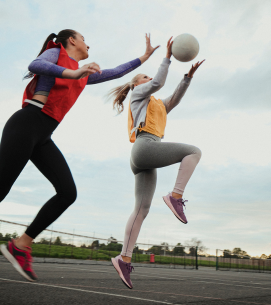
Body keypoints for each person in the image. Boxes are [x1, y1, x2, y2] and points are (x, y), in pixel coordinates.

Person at [0, 29, 159, 282]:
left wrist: (144, 57)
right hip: (26, 124)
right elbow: (35, 64)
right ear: (71, 40)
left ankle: (20, 246)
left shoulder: (82, 75)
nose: (88, 43)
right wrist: (74, 71)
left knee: (67, 193)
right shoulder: (56, 53)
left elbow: (116, 72)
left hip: (43, 135)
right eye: (84, 38)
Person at [109, 37, 204, 289]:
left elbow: (174, 98)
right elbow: (160, 82)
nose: (148, 79)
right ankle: (175, 196)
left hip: (143, 158)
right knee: (193, 151)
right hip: (145, 146)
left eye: (148, 77)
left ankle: (124, 258)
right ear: (136, 84)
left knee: (142, 209)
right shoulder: (138, 94)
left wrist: (188, 77)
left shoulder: (158, 105)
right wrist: (167, 57)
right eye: (144, 77)